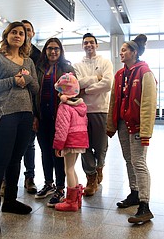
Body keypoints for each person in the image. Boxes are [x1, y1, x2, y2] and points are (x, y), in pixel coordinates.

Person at [106, 34, 157, 224]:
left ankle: (145, 205)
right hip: (122, 125)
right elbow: (113, 101)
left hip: (136, 126)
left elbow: (148, 104)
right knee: (129, 161)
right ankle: (134, 193)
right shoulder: (119, 74)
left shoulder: (145, 72)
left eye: (125, 49)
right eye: (121, 50)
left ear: (134, 52)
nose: (121, 52)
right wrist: (111, 124)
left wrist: (145, 132)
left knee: (139, 162)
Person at [0, 21, 39, 236]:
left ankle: (10, 201)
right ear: (7, 35)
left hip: (25, 115)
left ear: (25, 38)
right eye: (14, 32)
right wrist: (13, 80)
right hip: (4, 115)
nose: (18, 36)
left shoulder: (29, 61)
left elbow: (36, 87)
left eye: (21, 33)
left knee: (16, 160)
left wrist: (27, 77)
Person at [34, 38, 75, 207]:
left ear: (61, 51)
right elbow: (33, 93)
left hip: (60, 118)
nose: (53, 52)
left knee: (58, 152)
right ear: (45, 50)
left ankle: (60, 188)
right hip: (42, 116)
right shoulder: (39, 68)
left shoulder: (67, 68)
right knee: (44, 151)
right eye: (50, 48)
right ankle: (48, 184)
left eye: (56, 49)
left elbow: (74, 92)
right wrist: (34, 116)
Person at [73, 33, 113, 196]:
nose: (88, 45)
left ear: (96, 45)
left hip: (101, 109)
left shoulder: (105, 62)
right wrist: (96, 78)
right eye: (85, 43)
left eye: (91, 42)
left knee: (100, 146)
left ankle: (99, 166)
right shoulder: (77, 65)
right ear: (82, 46)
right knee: (84, 146)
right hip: (82, 111)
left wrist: (86, 90)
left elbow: (108, 83)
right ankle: (90, 177)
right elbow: (76, 84)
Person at [53, 73, 88, 212]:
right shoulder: (80, 105)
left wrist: (58, 145)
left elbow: (62, 128)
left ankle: (71, 202)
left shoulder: (64, 107)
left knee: (68, 169)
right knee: (72, 168)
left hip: (70, 140)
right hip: (81, 139)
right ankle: (77, 198)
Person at [21, 19, 42, 194]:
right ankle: (5, 181)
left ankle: (30, 178)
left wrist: (36, 114)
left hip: (30, 107)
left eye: (28, 30)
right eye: (22, 31)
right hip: (9, 109)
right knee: (8, 146)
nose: (25, 34)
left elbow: (37, 88)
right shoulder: (9, 54)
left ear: (33, 33)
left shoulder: (39, 56)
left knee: (29, 145)